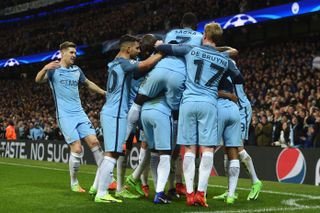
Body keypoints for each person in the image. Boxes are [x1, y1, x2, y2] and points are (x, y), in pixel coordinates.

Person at [155, 22, 242, 207]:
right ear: (218, 40)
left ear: (204, 36)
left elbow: (165, 48)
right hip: (209, 104)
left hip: (188, 102)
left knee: (189, 149)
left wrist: (158, 45)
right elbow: (238, 77)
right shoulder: (224, 59)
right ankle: (201, 193)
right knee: (207, 149)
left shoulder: (190, 49)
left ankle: (188, 193)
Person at [125, 12, 203, 198]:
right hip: (178, 77)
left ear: (180, 24)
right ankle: (163, 187)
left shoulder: (169, 35)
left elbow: (158, 49)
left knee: (139, 104)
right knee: (168, 144)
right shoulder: (199, 37)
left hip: (158, 73)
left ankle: (124, 138)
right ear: (196, 26)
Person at [92, 34, 163, 203]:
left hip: (112, 111)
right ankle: (101, 193)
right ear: (127, 48)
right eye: (136, 48)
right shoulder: (123, 63)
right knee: (112, 153)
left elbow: (140, 70)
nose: (138, 51)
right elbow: (145, 64)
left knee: (113, 153)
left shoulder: (115, 63)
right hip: (115, 113)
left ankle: (99, 188)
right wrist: (162, 52)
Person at [35, 41, 105, 193]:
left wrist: (104, 93)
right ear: (63, 53)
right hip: (65, 116)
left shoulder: (77, 70)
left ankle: (105, 179)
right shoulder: (53, 70)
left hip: (79, 113)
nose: (74, 55)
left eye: (75, 52)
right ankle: (74, 183)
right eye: (71, 52)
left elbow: (88, 83)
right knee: (78, 148)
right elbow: (38, 80)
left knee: (94, 142)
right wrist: (44, 68)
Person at [214, 60, 263, 201]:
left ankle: (255, 181)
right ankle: (230, 189)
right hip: (231, 108)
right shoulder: (229, 73)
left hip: (240, 110)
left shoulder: (229, 74)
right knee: (228, 150)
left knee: (238, 148)